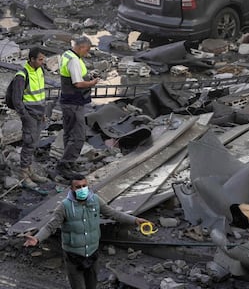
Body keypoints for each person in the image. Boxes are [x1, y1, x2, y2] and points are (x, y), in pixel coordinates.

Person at [24, 174, 149, 289]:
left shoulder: (95, 200)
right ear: (71, 189)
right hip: (73, 256)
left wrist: (134, 220)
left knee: (92, 285)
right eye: (78, 187)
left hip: (92, 253)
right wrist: (37, 238)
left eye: (84, 186)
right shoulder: (65, 207)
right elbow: (50, 226)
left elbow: (113, 214)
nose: (82, 189)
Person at [57, 36, 99, 180]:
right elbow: (78, 84)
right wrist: (92, 83)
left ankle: (68, 162)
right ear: (81, 47)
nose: (87, 53)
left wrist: (87, 76)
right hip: (74, 102)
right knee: (79, 135)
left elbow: (76, 76)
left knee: (68, 133)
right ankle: (65, 164)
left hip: (67, 100)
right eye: (86, 50)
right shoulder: (74, 60)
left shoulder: (67, 54)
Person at [11, 47, 49, 189]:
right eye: (40, 59)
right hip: (30, 115)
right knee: (29, 143)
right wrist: (25, 116)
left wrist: (43, 112)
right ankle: (23, 174)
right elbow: (17, 100)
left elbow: (40, 94)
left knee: (34, 143)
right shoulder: (22, 75)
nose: (42, 62)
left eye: (43, 59)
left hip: (39, 114)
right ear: (31, 59)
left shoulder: (40, 70)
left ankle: (30, 171)